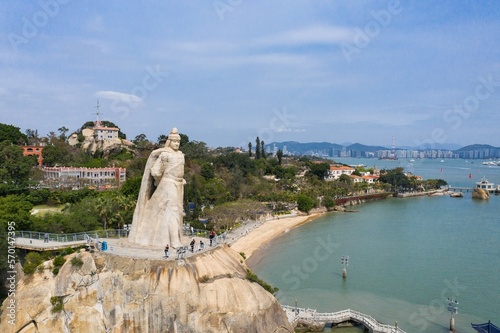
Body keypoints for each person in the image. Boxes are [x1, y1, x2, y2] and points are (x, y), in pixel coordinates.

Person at [127, 128, 185, 248]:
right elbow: (155, 172)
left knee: (177, 211)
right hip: (168, 184)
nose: (177, 144)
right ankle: (174, 240)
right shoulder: (164, 155)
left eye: (178, 142)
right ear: (169, 142)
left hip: (178, 184)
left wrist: (180, 179)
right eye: (174, 141)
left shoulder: (180, 155)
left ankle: (175, 238)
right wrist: (160, 183)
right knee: (173, 210)